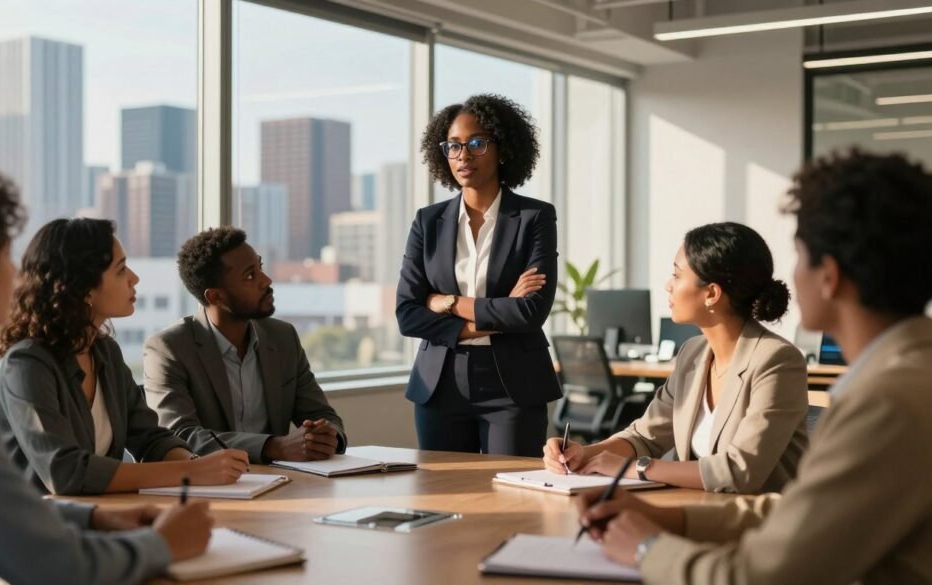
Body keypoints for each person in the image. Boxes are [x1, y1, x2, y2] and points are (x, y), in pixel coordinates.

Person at [577, 149, 932, 584]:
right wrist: (667, 520)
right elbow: (797, 510)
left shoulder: (885, 403)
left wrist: (648, 548)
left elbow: (760, 575)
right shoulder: (906, 378)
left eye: (800, 255)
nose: (792, 275)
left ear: (829, 275)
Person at [0, 169, 213, 585]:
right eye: (4, 255)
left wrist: (94, 518)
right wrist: (163, 545)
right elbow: (54, 566)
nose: (16, 271)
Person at [544, 222, 808, 494]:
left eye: (677, 275)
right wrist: (585, 454)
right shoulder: (692, 353)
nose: (668, 285)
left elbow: (739, 471)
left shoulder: (776, 361)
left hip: (760, 524)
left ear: (712, 294)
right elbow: (644, 436)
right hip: (701, 513)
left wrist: (636, 468)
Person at [0, 218, 249, 495]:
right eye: (121, 269)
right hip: (35, 529)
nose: (134, 278)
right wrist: (192, 473)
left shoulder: (105, 352)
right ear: (84, 288)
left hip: (102, 516)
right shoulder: (27, 364)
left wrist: (199, 465)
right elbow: (65, 472)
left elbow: (150, 439)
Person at [396, 93, 561, 457]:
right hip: (438, 383)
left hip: (513, 384)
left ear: (503, 148)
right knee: (443, 498)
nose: (463, 155)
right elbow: (408, 314)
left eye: (476, 143)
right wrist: (496, 312)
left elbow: (530, 312)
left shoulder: (535, 217)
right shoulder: (428, 221)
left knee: (513, 499)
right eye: (453, 146)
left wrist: (448, 303)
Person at [144, 227, 346, 464]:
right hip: (211, 489)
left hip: (279, 484)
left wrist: (327, 436)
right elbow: (180, 436)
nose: (267, 281)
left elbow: (321, 414)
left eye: (260, 267)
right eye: (250, 275)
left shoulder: (283, 337)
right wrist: (273, 447)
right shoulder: (169, 348)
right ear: (215, 297)